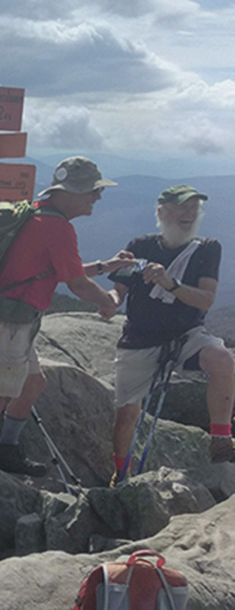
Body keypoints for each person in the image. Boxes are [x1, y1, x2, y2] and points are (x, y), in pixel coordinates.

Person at [0, 156, 134, 476]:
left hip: (11, 318)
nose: (97, 197)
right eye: (93, 190)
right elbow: (78, 284)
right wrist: (107, 300)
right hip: (8, 324)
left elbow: (60, 272)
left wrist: (107, 266)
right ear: (72, 192)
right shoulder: (57, 228)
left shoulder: (36, 213)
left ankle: (6, 450)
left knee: (34, 383)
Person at [109, 184, 235, 481]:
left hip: (186, 335)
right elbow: (119, 290)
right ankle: (119, 474)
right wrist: (109, 302)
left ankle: (220, 439)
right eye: (182, 207)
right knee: (126, 413)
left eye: (194, 208)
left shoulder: (207, 248)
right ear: (161, 212)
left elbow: (206, 299)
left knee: (222, 360)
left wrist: (171, 284)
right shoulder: (140, 245)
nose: (189, 214)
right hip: (140, 338)